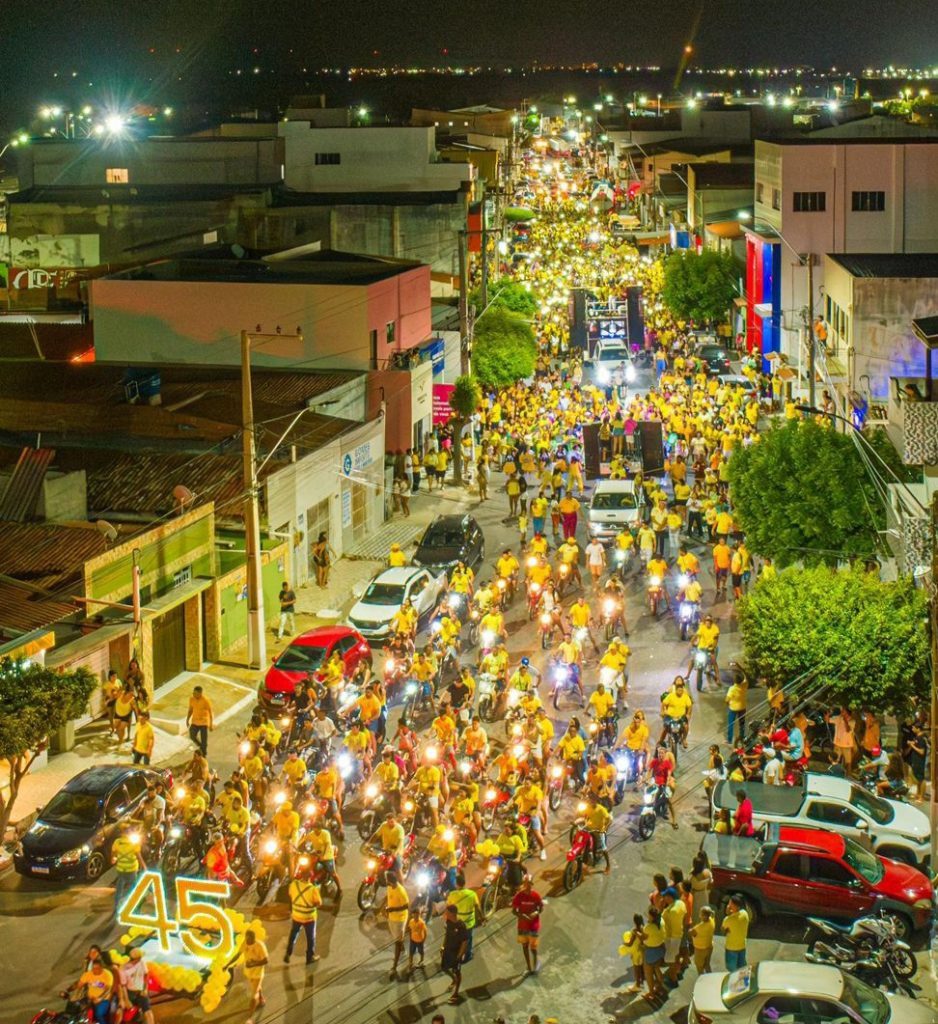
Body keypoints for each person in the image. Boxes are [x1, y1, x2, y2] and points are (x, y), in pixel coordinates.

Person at [285, 862, 322, 964]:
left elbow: (290, 895)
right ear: (310, 877)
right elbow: (318, 903)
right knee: (310, 938)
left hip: (296, 916)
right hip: (309, 918)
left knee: (294, 934)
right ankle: (310, 957)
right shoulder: (313, 889)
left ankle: (288, 953)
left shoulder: (293, 885)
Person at [445, 871, 484, 963]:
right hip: (469, 923)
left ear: (456, 884)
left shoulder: (452, 895)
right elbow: (478, 908)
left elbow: (448, 908)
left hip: (457, 922)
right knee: (468, 939)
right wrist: (482, 918)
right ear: (464, 883)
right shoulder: (472, 894)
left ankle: (456, 954)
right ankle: (467, 956)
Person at [111, 820, 145, 917]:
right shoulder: (133, 842)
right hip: (131, 869)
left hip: (121, 869)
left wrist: (113, 859)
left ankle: (117, 908)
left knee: (119, 888)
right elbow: (138, 855)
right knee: (134, 889)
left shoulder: (117, 842)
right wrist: (144, 865)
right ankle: (135, 909)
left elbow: (113, 854)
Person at [512, 873, 544, 975]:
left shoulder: (536, 895)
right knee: (524, 947)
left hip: (533, 926)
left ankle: (535, 965)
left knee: (533, 948)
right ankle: (529, 967)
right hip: (522, 926)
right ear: (523, 884)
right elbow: (514, 911)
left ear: (532, 884)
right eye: (526, 883)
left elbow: (541, 908)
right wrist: (521, 916)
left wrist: (536, 912)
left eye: (529, 883)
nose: (527, 886)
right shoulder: (518, 896)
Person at [383, 869, 410, 979]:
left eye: (386, 879)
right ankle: (402, 946)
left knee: (397, 943)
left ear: (391, 881)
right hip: (391, 917)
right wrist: (382, 908)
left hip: (399, 919)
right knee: (397, 939)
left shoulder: (401, 891)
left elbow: (406, 906)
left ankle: (394, 967)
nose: (385, 880)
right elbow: (388, 897)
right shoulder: (389, 886)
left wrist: (392, 909)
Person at [441, 904, 469, 1005]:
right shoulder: (448, 922)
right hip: (447, 951)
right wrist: (443, 946)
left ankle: (456, 993)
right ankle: (454, 980)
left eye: (447, 912)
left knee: (457, 972)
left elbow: (464, 942)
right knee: (444, 968)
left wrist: (459, 956)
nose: (445, 914)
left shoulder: (461, 925)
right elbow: (447, 935)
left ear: (452, 914)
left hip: (456, 953)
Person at [242, 927, 269, 1024]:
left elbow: (266, 960)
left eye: (250, 940)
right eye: (247, 939)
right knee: (256, 988)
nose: (248, 942)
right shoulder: (245, 943)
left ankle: (249, 1018)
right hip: (249, 973)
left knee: (254, 996)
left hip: (257, 974)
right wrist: (227, 965)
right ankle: (261, 1000)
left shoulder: (260, 946)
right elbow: (238, 954)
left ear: (253, 938)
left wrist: (253, 964)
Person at [78, 957, 114, 1024]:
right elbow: (79, 984)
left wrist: (100, 998)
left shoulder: (107, 974)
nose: (95, 970)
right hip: (90, 999)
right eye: (93, 968)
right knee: (80, 1013)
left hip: (104, 999)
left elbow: (107, 989)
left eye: (97, 968)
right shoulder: (88, 974)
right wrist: (70, 990)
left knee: (99, 1014)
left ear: (101, 968)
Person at [722, 895, 749, 971]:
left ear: (733, 905)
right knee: (742, 967)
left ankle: (735, 982)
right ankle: (745, 981)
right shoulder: (745, 914)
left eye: (730, 903)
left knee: (732, 969)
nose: (728, 905)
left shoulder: (728, 920)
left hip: (731, 948)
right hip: (742, 945)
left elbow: (723, 931)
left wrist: (727, 913)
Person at [620, 913, 646, 993]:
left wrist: (624, 944)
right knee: (641, 968)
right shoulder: (643, 928)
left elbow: (630, 943)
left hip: (636, 952)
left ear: (634, 921)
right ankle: (641, 983)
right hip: (642, 951)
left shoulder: (635, 931)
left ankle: (637, 985)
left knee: (636, 969)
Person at [186, 685, 213, 756]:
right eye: (193, 693)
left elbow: (210, 713)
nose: (194, 695)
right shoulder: (191, 699)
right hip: (195, 721)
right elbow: (190, 710)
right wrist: (187, 719)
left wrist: (211, 725)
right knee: (192, 736)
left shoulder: (205, 701)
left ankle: (203, 753)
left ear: (200, 693)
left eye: (196, 693)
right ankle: (200, 746)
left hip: (204, 722)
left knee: (204, 740)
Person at [690, 906, 715, 974]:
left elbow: (691, 932)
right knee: (707, 964)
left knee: (699, 966)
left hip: (700, 949)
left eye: (700, 913)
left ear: (704, 916)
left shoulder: (699, 927)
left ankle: (702, 979)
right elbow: (713, 913)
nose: (699, 914)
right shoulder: (712, 920)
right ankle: (710, 978)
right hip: (709, 946)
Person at [725, 675, 747, 745]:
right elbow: (746, 676)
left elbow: (727, 700)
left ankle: (729, 740)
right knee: (742, 724)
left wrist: (728, 704)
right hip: (742, 708)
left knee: (731, 724)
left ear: (734, 681)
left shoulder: (732, 688)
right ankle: (742, 738)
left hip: (733, 708)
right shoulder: (744, 685)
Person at [407, 905, 428, 975]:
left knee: (421, 951)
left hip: (420, 941)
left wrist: (423, 939)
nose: (416, 915)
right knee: (411, 952)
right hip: (413, 940)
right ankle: (410, 963)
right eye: (415, 914)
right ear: (413, 915)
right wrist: (410, 937)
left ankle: (421, 961)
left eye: (417, 914)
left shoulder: (422, 923)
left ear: (419, 914)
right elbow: (409, 929)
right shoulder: (411, 921)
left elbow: (425, 932)